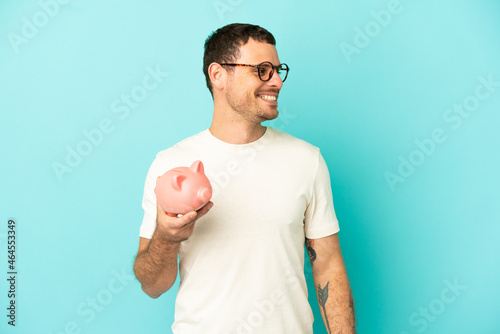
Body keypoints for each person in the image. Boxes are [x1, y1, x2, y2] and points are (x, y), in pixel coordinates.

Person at [133, 23, 356, 333]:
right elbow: (152, 286)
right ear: (218, 75)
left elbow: (328, 265)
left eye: (278, 70)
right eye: (262, 70)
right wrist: (167, 240)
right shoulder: (170, 165)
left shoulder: (306, 160)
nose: (276, 81)